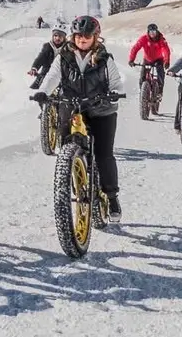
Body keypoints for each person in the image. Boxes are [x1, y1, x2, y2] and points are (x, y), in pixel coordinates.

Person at [33, 15, 126, 220]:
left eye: (86, 36)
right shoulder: (63, 57)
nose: (82, 39)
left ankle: (111, 198)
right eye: (78, 36)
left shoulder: (104, 58)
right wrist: (43, 91)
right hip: (72, 107)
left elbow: (117, 82)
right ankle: (71, 179)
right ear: (73, 37)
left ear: (95, 37)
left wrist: (114, 93)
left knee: (104, 154)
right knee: (66, 146)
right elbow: (52, 77)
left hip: (101, 109)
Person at [128, 23, 172, 105]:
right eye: (150, 32)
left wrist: (166, 61)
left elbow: (166, 50)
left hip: (158, 59)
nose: (152, 34)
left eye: (154, 32)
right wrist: (131, 59)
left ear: (157, 31)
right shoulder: (144, 38)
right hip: (147, 60)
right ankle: (142, 93)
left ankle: (159, 92)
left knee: (160, 74)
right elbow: (135, 48)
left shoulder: (161, 39)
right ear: (148, 32)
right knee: (142, 77)